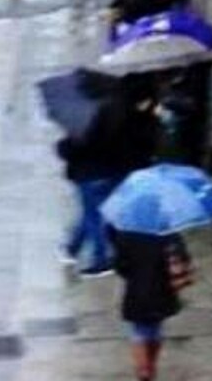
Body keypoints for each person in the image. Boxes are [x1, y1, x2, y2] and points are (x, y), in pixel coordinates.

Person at [57, 90, 158, 277]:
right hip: (112, 173)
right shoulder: (119, 116)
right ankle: (72, 247)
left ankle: (102, 258)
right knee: (92, 212)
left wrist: (63, 146)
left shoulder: (83, 121)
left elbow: (68, 149)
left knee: (93, 216)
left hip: (88, 175)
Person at [109, 226, 191, 381]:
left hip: (136, 290)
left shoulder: (127, 232)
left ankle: (143, 370)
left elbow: (119, 265)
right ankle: (151, 365)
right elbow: (183, 257)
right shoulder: (168, 231)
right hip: (162, 290)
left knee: (139, 332)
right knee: (155, 329)